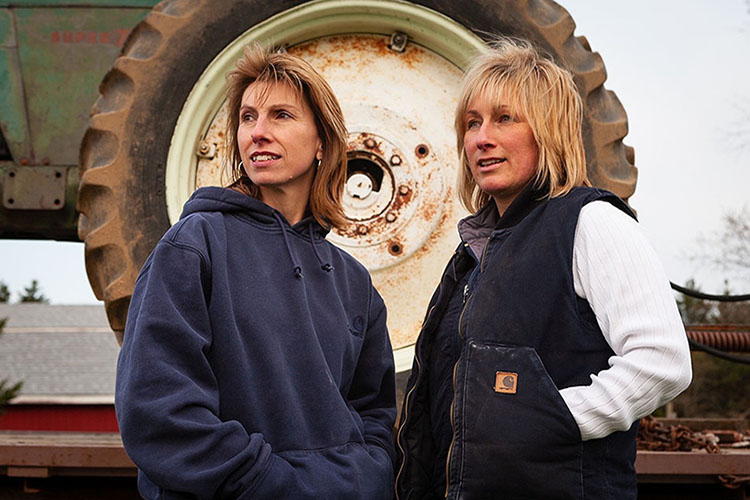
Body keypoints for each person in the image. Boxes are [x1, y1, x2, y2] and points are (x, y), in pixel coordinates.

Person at [395, 37, 692, 500]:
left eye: (504, 118)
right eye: (472, 124)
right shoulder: (470, 256)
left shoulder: (591, 222)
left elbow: (662, 362)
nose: (481, 138)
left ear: (548, 130)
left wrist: (550, 419)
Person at [115, 45, 397, 500]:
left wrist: (366, 478)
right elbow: (157, 413)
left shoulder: (353, 283)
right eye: (248, 117)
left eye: (281, 115)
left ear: (323, 141)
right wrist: (265, 483)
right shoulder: (194, 246)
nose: (258, 133)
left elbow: (375, 415)